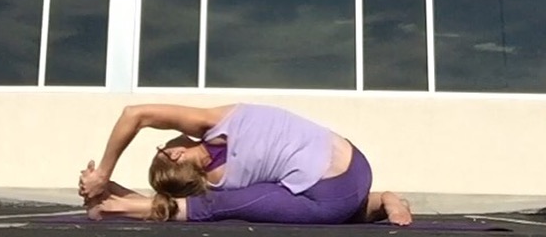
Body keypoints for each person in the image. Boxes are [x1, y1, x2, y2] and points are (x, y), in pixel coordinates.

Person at [78, 103, 412, 225]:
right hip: (357, 164)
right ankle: (382, 199)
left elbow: (134, 114)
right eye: (162, 147)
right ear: (175, 155)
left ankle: (110, 207)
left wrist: (103, 179)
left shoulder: (222, 185)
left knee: (221, 206)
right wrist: (104, 176)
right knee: (272, 199)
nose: (168, 142)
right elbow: (136, 114)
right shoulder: (214, 122)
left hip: (332, 194)